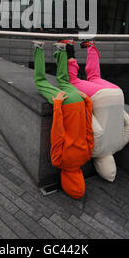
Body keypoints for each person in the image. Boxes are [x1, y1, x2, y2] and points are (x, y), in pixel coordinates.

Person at [66, 40, 129, 182]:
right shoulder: (95, 152)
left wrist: (119, 111)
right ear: (99, 166)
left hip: (117, 94)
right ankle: (69, 49)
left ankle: (90, 46)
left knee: (95, 77)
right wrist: (88, 109)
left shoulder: (119, 146)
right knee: (72, 81)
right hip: (102, 97)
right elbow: (96, 131)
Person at [33, 41, 93, 199]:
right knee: (40, 81)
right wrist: (58, 105)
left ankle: (61, 50)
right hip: (66, 104)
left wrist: (87, 103)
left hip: (79, 102)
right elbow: (57, 132)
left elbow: (89, 129)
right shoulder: (59, 162)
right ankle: (38, 48)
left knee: (64, 81)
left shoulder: (86, 156)